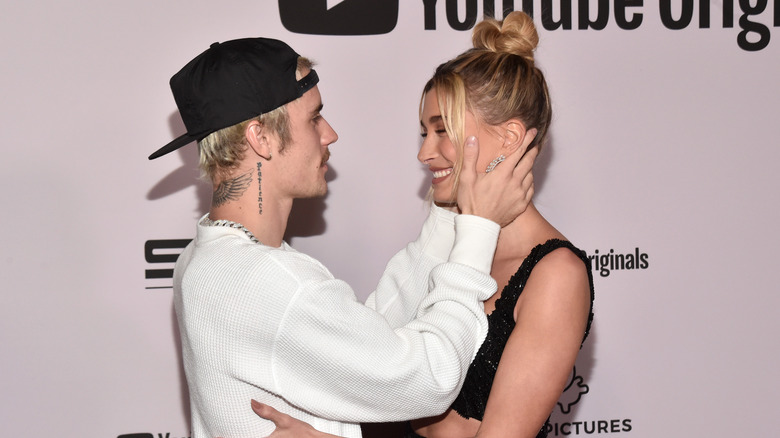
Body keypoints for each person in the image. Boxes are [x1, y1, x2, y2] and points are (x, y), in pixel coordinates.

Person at [147, 37, 538, 437]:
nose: (330, 134)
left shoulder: (202, 259)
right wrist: (478, 228)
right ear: (260, 137)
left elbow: (365, 345)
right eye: (314, 118)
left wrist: (447, 213)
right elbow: (429, 377)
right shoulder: (272, 284)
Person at [255, 11, 594, 438]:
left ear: (509, 139)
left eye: (442, 131)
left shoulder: (556, 276)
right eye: (423, 133)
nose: (424, 154)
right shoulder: (448, 244)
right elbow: (378, 373)